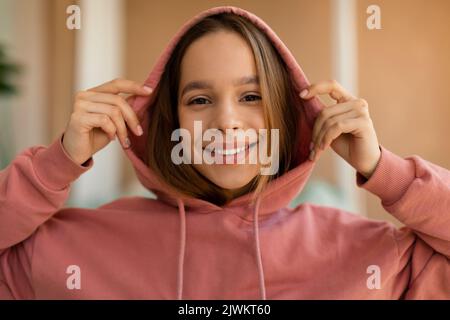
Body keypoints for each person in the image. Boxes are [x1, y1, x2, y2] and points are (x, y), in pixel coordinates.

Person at [0, 6, 449, 300]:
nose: (227, 122)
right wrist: (55, 164)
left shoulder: (372, 257)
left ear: (285, 114)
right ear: (169, 121)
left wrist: (386, 171)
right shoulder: (69, 250)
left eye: (251, 97)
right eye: (199, 100)